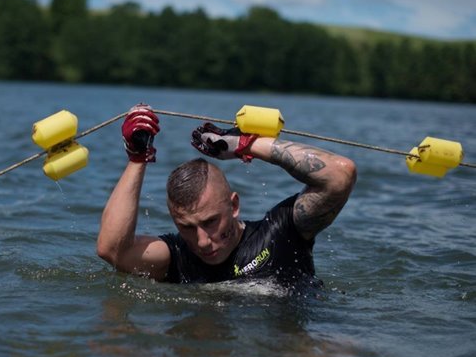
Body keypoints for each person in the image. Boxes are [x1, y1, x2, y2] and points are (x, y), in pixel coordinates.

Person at [97, 104, 357, 286]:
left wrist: (249, 145)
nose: (202, 242)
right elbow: (112, 250)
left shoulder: (281, 233)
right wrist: (137, 158)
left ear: (234, 206)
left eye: (210, 222)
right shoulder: (177, 257)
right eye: (186, 227)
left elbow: (339, 175)